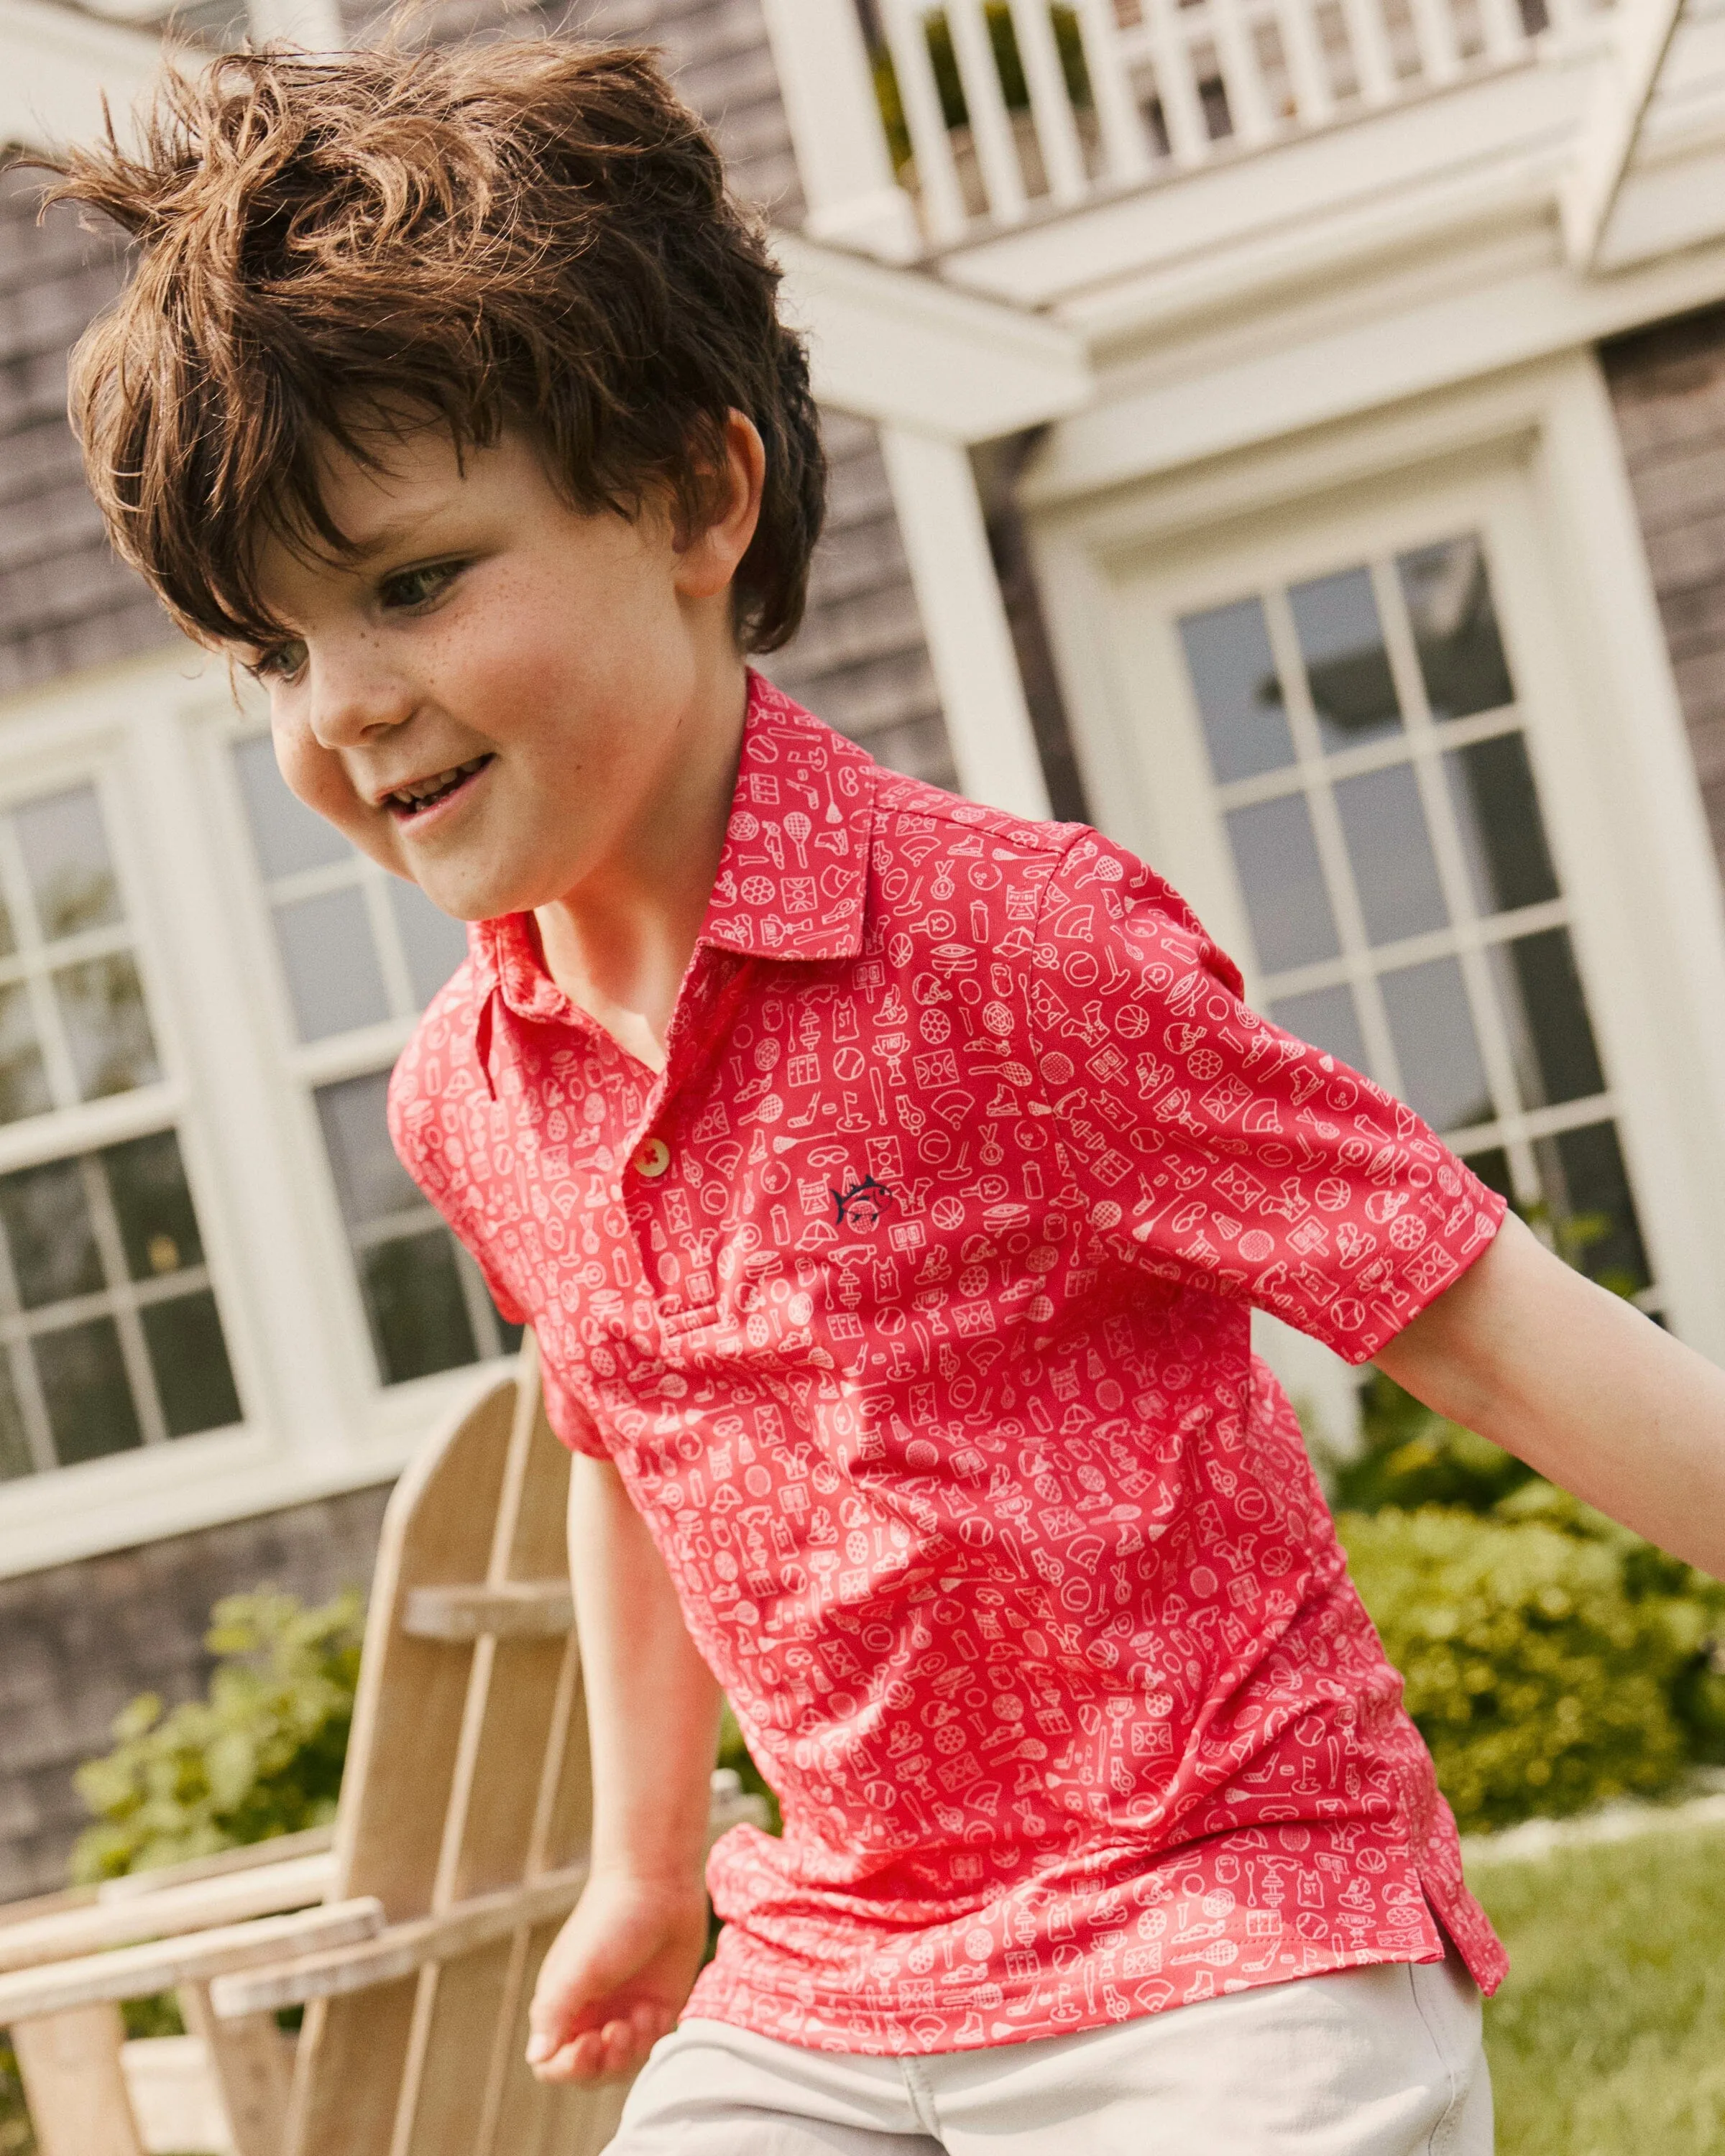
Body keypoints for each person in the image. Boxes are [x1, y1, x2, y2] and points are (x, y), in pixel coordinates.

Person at [45, 39, 1725, 2153]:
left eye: (408, 583)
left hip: (1218, 1927)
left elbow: (1457, 1299)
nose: (346, 707)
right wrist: (651, 1874)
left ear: (691, 497)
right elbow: (629, 1443)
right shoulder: (476, 1095)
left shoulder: (1004, 951)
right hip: (840, 1964)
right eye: (269, 650)